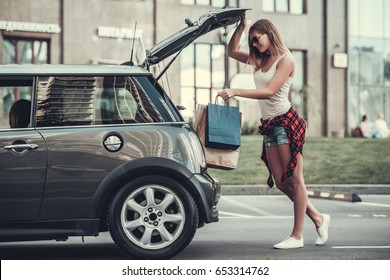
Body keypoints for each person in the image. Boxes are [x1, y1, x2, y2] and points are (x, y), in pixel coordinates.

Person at [218, 15, 330, 249]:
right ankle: (318, 217)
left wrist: (235, 91)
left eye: (257, 39)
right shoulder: (260, 59)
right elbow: (230, 51)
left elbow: (269, 92)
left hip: (286, 123)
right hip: (269, 125)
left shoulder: (286, 59)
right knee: (280, 182)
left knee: (296, 181)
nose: (254, 44)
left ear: (269, 33)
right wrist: (242, 26)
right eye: (252, 41)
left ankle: (297, 236)